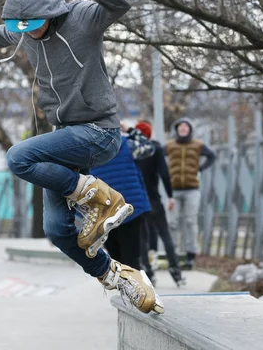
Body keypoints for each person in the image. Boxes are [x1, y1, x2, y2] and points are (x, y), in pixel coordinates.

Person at [0, 0, 163, 314]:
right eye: (25, 29)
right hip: (67, 136)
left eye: (37, 25)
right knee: (56, 229)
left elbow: (120, 4)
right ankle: (118, 275)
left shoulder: (82, 18)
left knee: (18, 157)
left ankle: (97, 196)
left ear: (50, 12)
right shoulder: (23, 32)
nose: (33, 34)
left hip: (99, 131)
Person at [91, 123, 158, 284]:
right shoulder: (127, 145)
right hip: (131, 208)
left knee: (116, 258)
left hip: (104, 210)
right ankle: (138, 293)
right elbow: (149, 146)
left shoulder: (88, 151)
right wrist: (129, 130)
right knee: (132, 256)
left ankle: (129, 293)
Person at [134, 121, 185, 286]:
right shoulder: (155, 149)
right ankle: (176, 273)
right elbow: (164, 173)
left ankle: (148, 273)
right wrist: (170, 196)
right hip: (154, 199)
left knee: (142, 237)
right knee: (165, 234)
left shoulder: (132, 150)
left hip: (139, 199)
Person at [165, 118, 216, 270]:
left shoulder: (198, 145)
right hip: (174, 190)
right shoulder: (169, 145)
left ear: (190, 130)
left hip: (192, 189)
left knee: (190, 222)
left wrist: (200, 168)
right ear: (177, 129)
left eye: (186, 127)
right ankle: (172, 254)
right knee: (172, 222)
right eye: (180, 127)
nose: (183, 129)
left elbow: (212, 156)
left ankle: (190, 255)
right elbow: (157, 156)